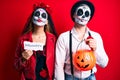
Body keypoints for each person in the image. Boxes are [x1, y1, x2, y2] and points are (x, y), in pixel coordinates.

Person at [54, 0, 109, 80]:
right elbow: (58, 65)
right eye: (80, 12)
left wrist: (95, 50)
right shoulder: (63, 37)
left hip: (90, 77)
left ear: (89, 17)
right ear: (73, 15)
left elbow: (104, 64)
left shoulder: (96, 36)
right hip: (70, 77)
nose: (83, 16)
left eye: (86, 14)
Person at [14, 2, 57, 80]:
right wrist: (23, 59)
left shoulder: (53, 39)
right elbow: (16, 66)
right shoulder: (22, 39)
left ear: (47, 22)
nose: (40, 17)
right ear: (32, 18)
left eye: (43, 15)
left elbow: (58, 62)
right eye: (37, 14)